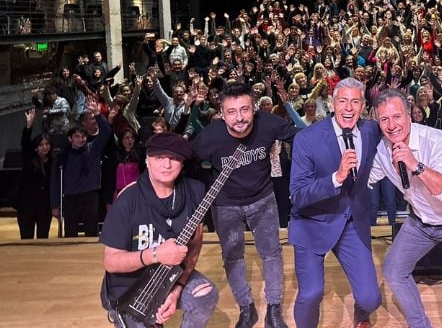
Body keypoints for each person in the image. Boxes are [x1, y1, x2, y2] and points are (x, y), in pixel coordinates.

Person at [371, 89, 442, 328]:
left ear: (409, 115)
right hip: (421, 222)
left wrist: (415, 165)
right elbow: (365, 180)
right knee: (394, 270)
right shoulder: (383, 150)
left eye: (397, 116)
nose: (391, 125)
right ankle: (420, 324)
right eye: (384, 119)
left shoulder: (436, 140)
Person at [192, 83, 297, 328]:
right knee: (232, 257)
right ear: (222, 112)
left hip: (263, 199)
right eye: (232, 112)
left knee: (271, 254)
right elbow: (186, 160)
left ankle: (273, 308)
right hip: (225, 204)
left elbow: (302, 137)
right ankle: (246, 307)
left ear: (254, 109)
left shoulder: (269, 123)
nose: (239, 118)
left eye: (245, 110)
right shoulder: (211, 135)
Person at [288, 78, 382, 328]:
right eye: (343, 101)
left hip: (351, 222)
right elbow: (297, 195)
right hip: (312, 222)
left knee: (371, 299)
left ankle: (361, 315)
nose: (349, 108)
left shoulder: (372, 131)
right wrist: (336, 178)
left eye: (355, 102)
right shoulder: (307, 139)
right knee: (311, 294)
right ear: (332, 103)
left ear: (363, 106)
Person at [100, 132, 218, 327]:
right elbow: (111, 261)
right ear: (147, 161)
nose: (166, 164)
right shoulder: (128, 198)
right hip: (130, 287)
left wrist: (177, 289)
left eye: (173, 158)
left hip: (170, 277)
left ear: (182, 163)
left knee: (204, 294)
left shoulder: (194, 191)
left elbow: (195, 244)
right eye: (159, 158)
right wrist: (156, 254)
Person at [51, 98, 112, 237]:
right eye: (77, 137)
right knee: (70, 232)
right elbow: (55, 182)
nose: (81, 139)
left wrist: (97, 113)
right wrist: (55, 205)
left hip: (90, 196)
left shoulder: (93, 148)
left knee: (91, 231)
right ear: (70, 139)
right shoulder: (62, 156)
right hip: (70, 198)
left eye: (83, 136)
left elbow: (107, 131)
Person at [19, 109, 53, 239]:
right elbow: (25, 143)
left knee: (43, 237)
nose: (45, 147)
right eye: (41, 145)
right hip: (27, 205)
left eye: (47, 144)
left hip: (44, 207)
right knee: (26, 237)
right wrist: (29, 126)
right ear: (36, 147)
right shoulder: (29, 159)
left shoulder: (53, 162)